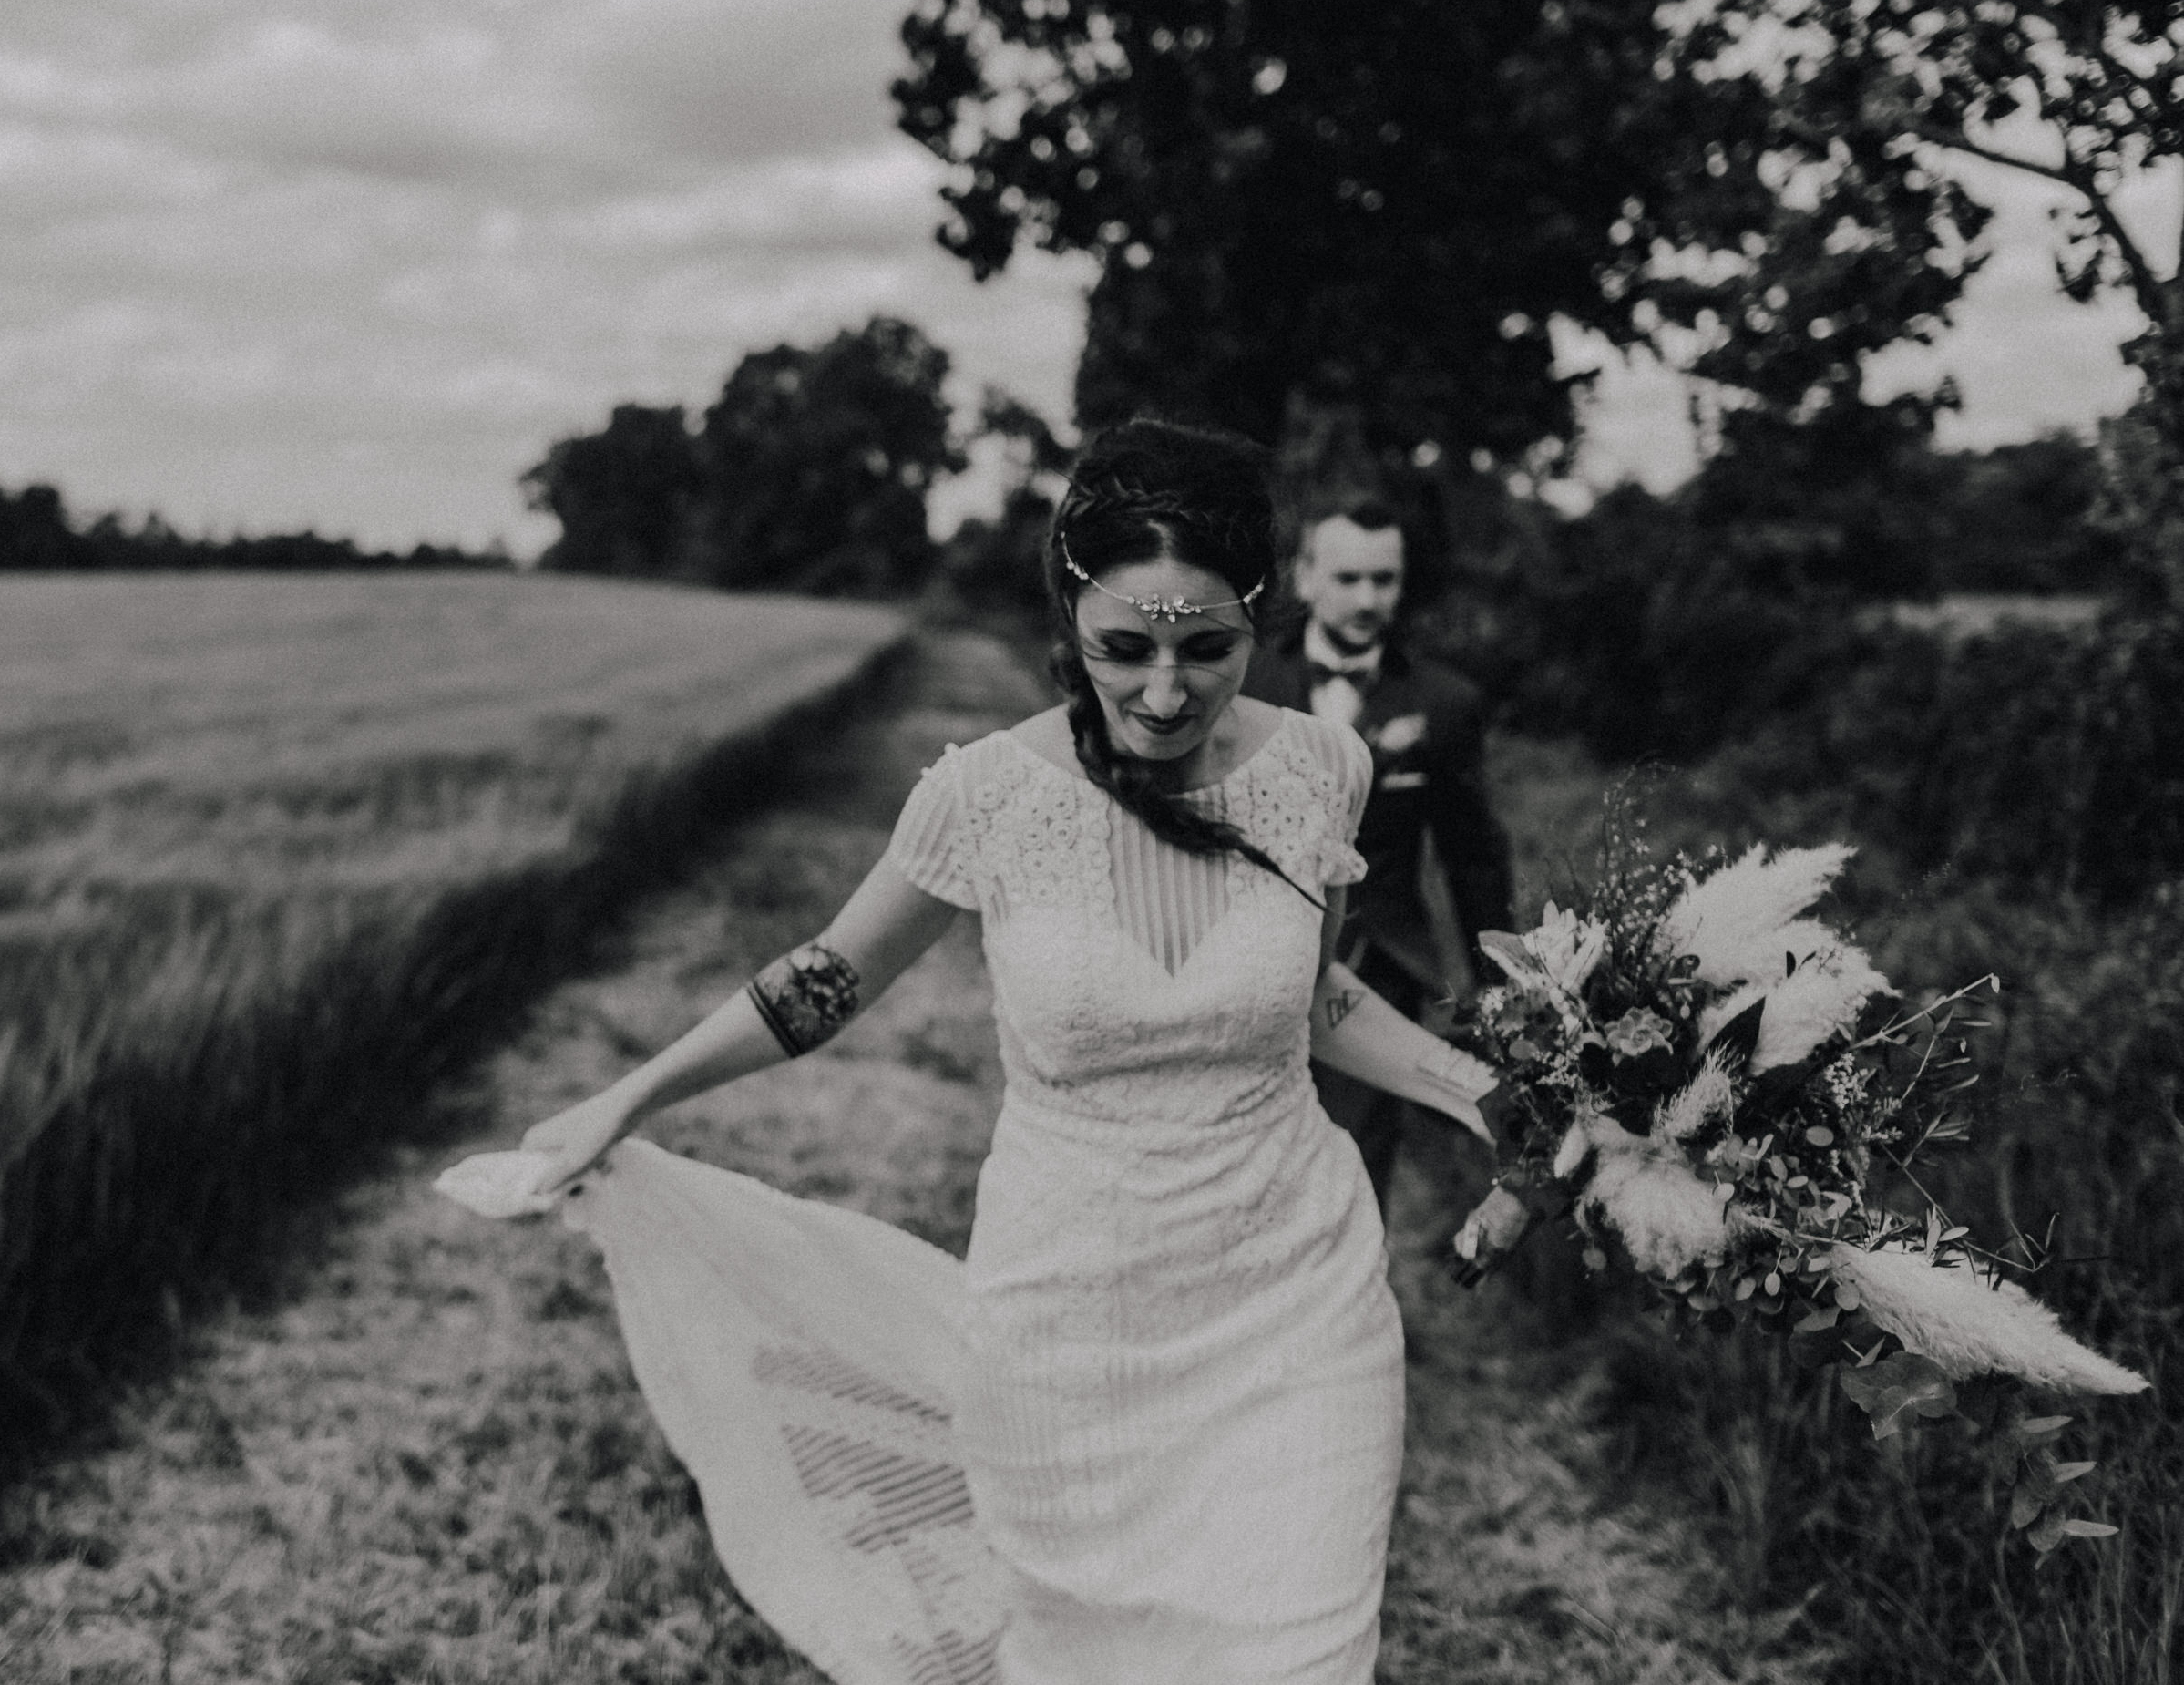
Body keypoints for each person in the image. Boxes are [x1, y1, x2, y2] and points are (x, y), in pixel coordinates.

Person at [497, 419, 1525, 1685]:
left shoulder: (1324, 766)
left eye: (1206, 648)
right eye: (1121, 649)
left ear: (1260, 618)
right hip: (1066, 1321)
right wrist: (625, 1093)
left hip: (1294, 1301)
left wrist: (1484, 1096)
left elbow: (1315, 1002)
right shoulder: (983, 794)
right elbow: (823, 981)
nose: (1162, 691)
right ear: (1067, 617)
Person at [1244, 492, 1513, 1222]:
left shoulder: (1443, 702)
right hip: (1249, 965)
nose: (1367, 599)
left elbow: (1473, 856)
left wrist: (1500, 997)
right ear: (1304, 576)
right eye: (1347, 578)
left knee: (1352, 1173)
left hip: (1380, 965)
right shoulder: (1243, 682)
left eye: (1383, 580)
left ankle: (1340, 1317)